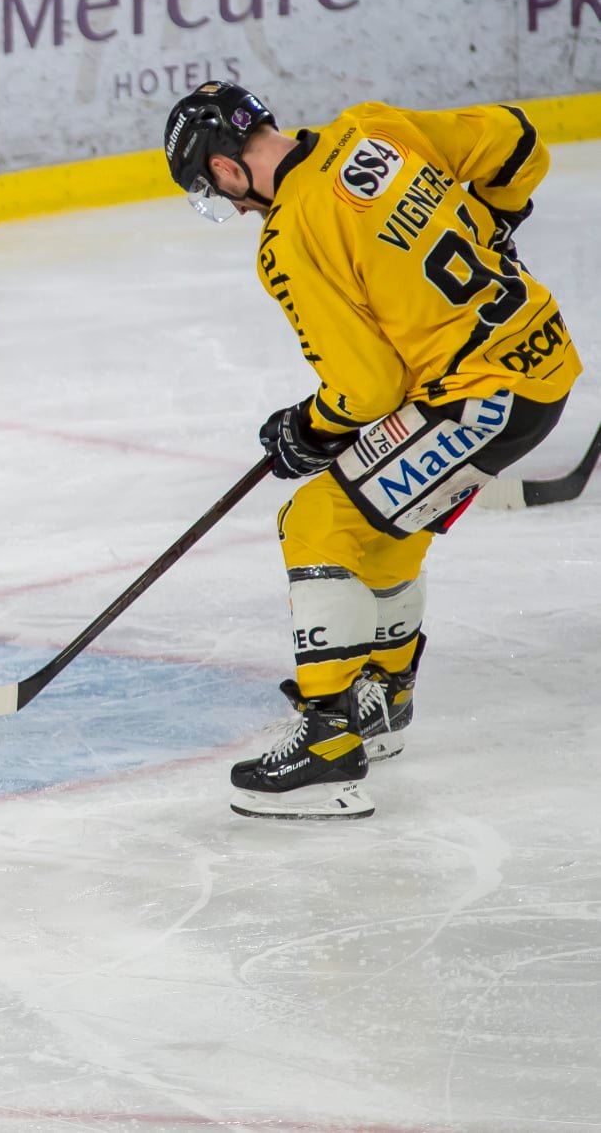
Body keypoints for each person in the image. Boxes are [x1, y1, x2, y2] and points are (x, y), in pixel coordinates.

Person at [163, 81, 582, 820]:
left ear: (227, 170)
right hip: (536, 356)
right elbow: (518, 140)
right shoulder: (368, 129)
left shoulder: (288, 235)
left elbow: (366, 387)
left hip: (481, 392)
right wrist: (496, 219)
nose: (228, 206)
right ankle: (382, 698)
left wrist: (308, 427)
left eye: (214, 190)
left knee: (319, 518)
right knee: (384, 526)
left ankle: (329, 744)